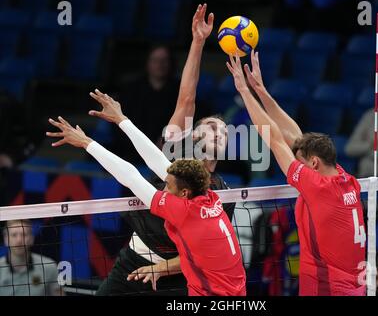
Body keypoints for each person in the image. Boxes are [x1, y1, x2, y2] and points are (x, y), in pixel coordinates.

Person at [84, 4, 236, 296]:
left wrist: (161, 269)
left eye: (224, 131)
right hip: (136, 257)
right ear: (194, 134)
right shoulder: (176, 153)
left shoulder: (222, 195)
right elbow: (186, 99)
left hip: (179, 273)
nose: (219, 131)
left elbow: (201, 254)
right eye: (212, 126)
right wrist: (198, 42)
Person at [45, 114, 246, 296]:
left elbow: (130, 176)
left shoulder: (183, 210)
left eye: (167, 185)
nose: (162, 188)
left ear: (184, 193)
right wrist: (122, 119)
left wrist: (86, 143)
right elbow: (156, 160)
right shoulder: (209, 197)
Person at [226, 51, 366, 296]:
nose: (294, 163)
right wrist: (262, 91)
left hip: (328, 289)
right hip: (352, 286)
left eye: (299, 162)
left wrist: (244, 91)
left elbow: (274, 140)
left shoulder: (319, 187)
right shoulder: (346, 179)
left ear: (313, 163)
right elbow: (295, 138)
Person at [0, 219, 62, 296]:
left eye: (24, 235)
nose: (19, 240)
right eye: (14, 235)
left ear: (32, 239)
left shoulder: (49, 266)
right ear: (6, 239)